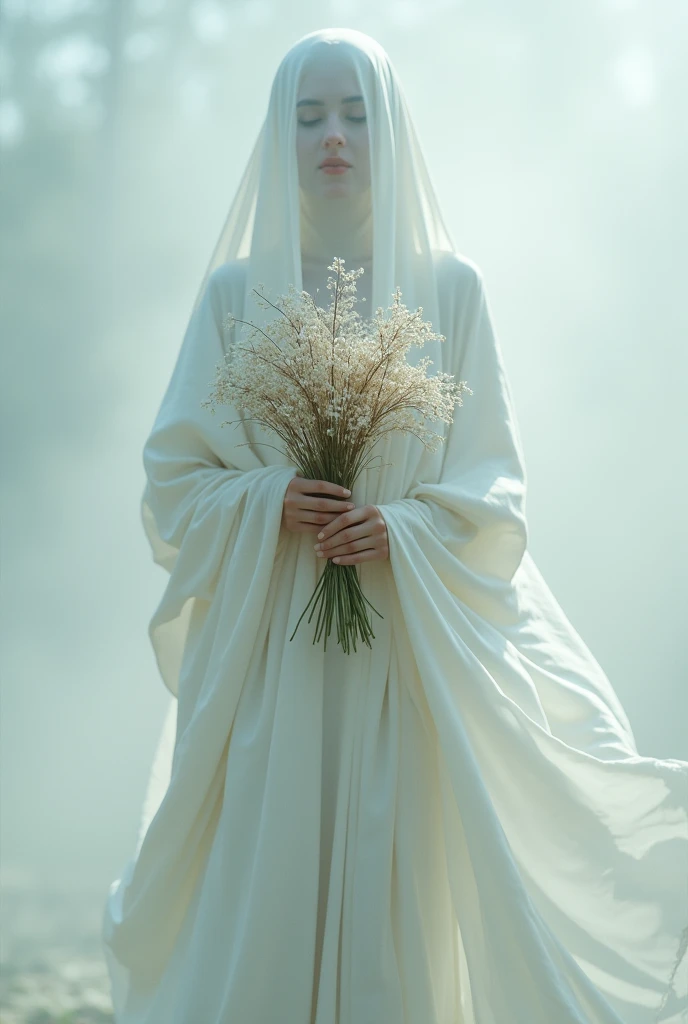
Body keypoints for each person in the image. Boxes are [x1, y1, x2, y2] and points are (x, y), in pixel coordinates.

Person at [101, 27, 687, 1024]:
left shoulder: (451, 290)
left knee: (399, 870)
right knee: (269, 861)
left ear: (390, 128)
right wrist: (265, 501)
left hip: (403, 653)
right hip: (276, 653)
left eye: (357, 112)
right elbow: (171, 478)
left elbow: (494, 490)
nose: (334, 135)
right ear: (278, 135)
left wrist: (403, 529)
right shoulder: (235, 296)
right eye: (309, 114)